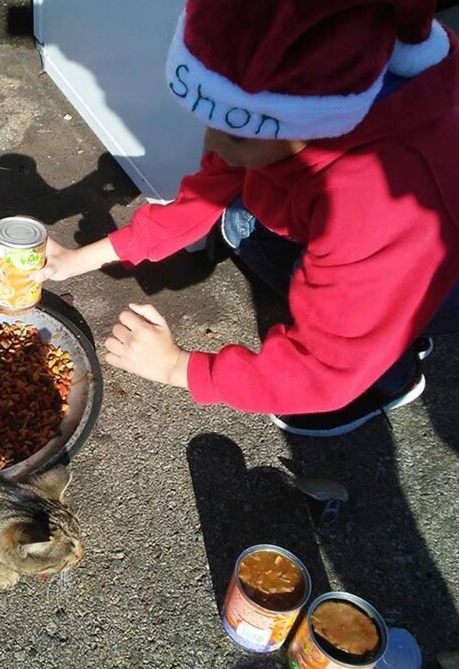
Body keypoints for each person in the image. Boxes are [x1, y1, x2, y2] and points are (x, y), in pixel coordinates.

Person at [36, 0, 459, 437]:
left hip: (437, 268)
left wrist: (178, 366)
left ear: (314, 123)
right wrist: (75, 260)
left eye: (236, 130)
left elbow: (326, 369)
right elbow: (203, 196)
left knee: (370, 335)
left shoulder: (378, 203)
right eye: (208, 119)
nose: (214, 143)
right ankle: (383, 331)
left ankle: (390, 379)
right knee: (240, 225)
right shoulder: (295, 112)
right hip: (373, 241)